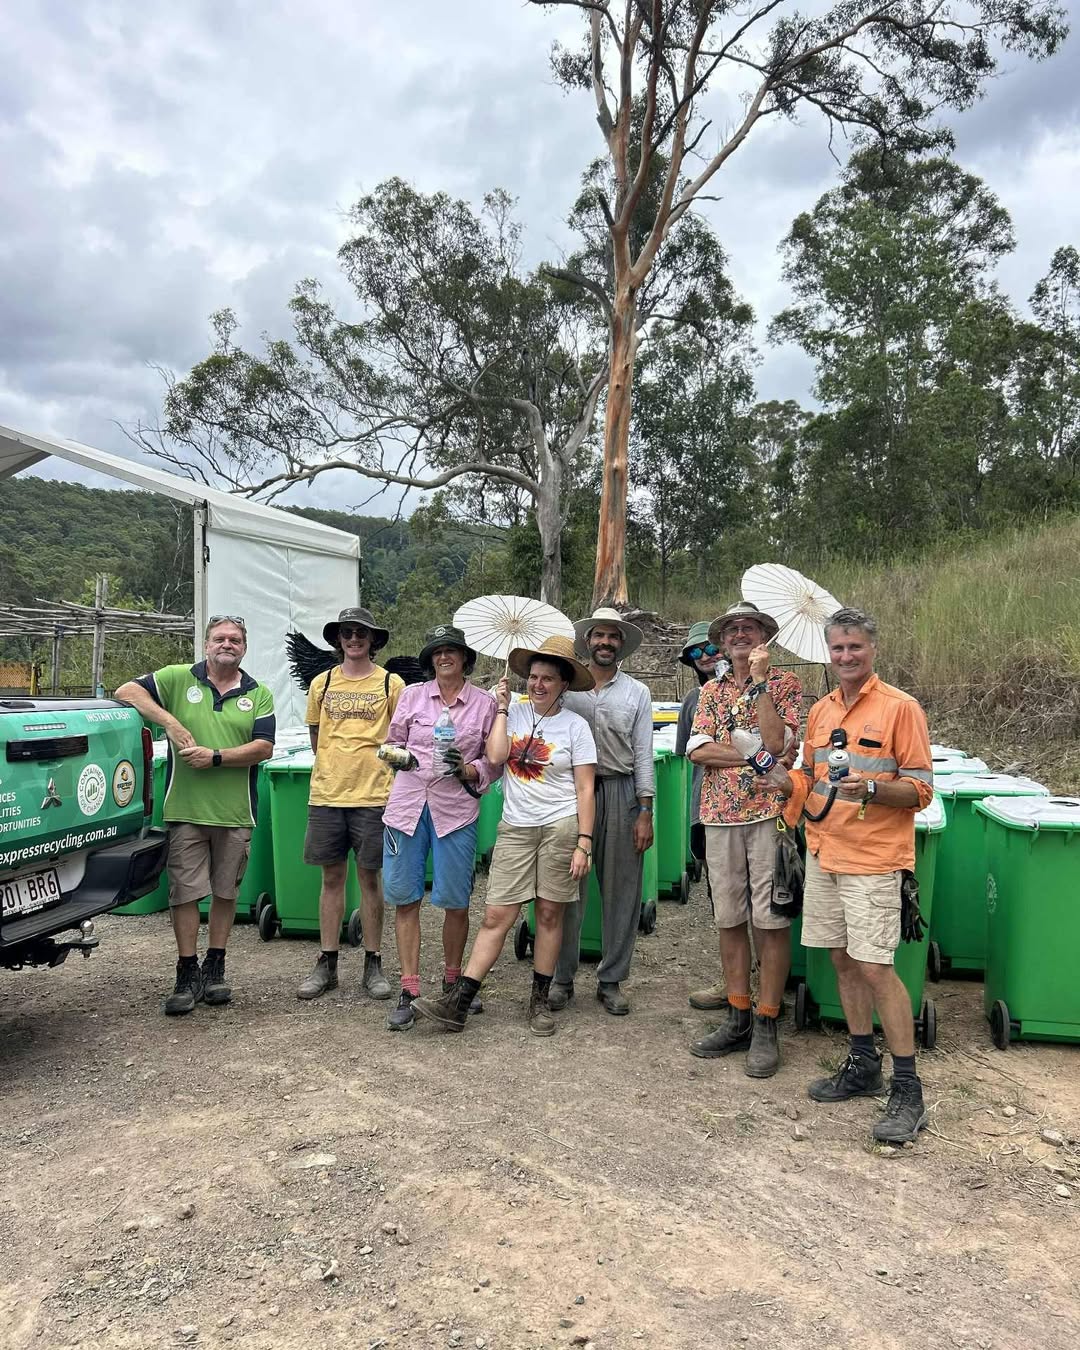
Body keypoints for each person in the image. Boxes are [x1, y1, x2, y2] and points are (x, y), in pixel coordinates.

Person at [772, 607, 934, 1142]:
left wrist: (870, 790)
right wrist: (785, 784)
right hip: (824, 853)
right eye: (837, 648)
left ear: (872, 649)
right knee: (841, 959)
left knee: (875, 968)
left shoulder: (900, 709)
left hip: (874, 859)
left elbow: (920, 790)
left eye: (855, 648)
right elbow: (810, 778)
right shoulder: (820, 711)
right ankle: (863, 1063)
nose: (846, 657)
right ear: (828, 652)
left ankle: (907, 1089)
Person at [412, 636, 596, 1036]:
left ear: (564, 684)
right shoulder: (511, 714)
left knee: (549, 913)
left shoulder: (576, 726)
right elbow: (494, 757)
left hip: (561, 826)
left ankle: (539, 1000)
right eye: (533, 676)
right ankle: (458, 1001)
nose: (538, 684)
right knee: (497, 914)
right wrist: (499, 707)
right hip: (515, 825)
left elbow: (585, 788)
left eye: (548, 678)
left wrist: (585, 841)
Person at [115, 617, 275, 1015]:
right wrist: (169, 721)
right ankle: (186, 971)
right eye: (219, 638)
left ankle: (215, 965)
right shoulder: (176, 678)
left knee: (226, 892)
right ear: (205, 644)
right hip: (184, 810)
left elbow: (264, 747)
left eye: (235, 639)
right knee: (183, 893)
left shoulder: (258, 693)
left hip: (236, 813)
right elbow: (126, 690)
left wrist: (215, 757)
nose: (227, 644)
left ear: (244, 647)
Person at [684, 601, 803, 1077]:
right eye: (731, 628)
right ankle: (737, 1014)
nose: (739, 634)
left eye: (748, 628)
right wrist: (753, 757)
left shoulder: (786, 686)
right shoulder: (710, 691)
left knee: (770, 920)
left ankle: (767, 1022)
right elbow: (698, 751)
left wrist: (758, 689)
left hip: (771, 816)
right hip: (719, 817)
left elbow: (779, 744)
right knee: (729, 918)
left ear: (764, 638)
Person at [381, 624, 501, 1031]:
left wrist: (469, 768)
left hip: (456, 810)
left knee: (455, 900)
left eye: (452, 651)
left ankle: (454, 984)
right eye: (437, 652)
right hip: (407, 808)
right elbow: (391, 742)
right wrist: (401, 758)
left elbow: (495, 762)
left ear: (465, 659)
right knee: (404, 897)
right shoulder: (412, 696)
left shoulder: (485, 704)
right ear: (430, 660)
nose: (444, 657)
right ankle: (409, 989)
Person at [296, 607, 404, 1002]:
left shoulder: (392, 684)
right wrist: (335, 767)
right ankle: (327, 963)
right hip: (327, 795)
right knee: (330, 879)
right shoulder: (321, 683)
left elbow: (401, 736)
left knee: (371, 880)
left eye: (361, 633)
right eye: (347, 633)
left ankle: (373, 963)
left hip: (375, 797)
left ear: (373, 640)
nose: (354, 639)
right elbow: (315, 735)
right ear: (338, 639)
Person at [550, 607, 654, 1017]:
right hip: (572, 792)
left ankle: (611, 979)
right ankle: (561, 977)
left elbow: (644, 754)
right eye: (599, 636)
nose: (606, 643)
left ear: (621, 645)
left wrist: (645, 809)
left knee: (622, 891)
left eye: (613, 637)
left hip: (620, 788)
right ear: (588, 642)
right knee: (565, 887)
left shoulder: (637, 693)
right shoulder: (567, 689)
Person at [675, 621, 725, 975]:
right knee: (720, 897)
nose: (705, 656)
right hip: (705, 809)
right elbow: (687, 757)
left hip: (755, 809)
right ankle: (732, 980)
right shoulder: (692, 701)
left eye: (710, 648)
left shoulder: (756, 691)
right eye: (697, 652)